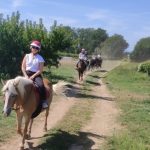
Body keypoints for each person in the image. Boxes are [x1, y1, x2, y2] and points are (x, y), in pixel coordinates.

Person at [21, 40, 48, 109]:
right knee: (17, 85)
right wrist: (26, 76)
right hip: (26, 74)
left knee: (41, 85)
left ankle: (44, 101)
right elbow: (23, 67)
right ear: (31, 47)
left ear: (39, 50)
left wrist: (33, 76)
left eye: (37, 48)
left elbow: (40, 70)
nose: (35, 49)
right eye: (33, 47)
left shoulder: (40, 58)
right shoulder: (26, 56)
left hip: (36, 74)